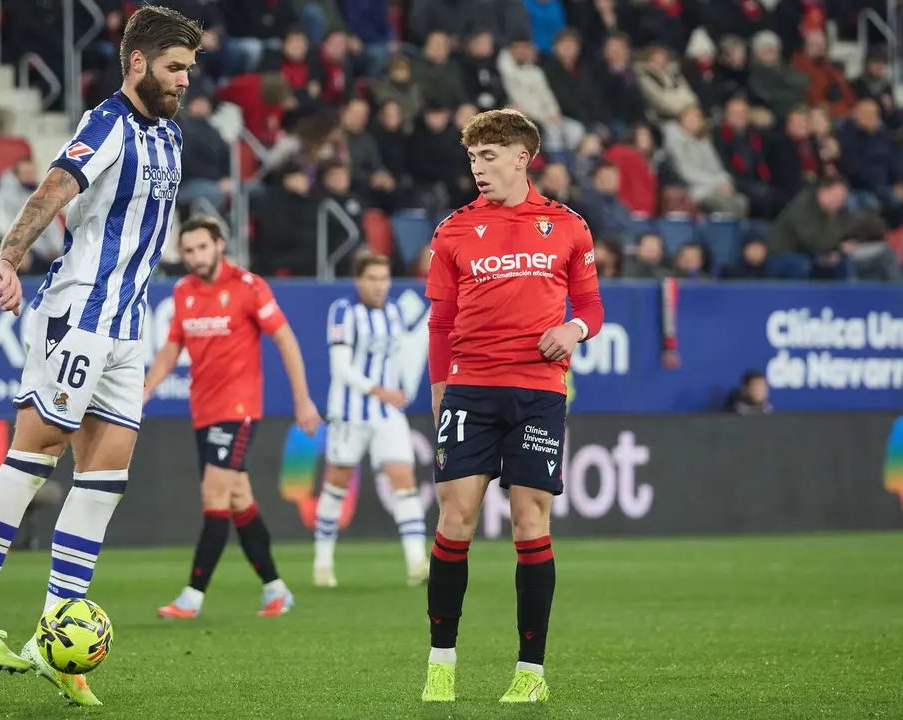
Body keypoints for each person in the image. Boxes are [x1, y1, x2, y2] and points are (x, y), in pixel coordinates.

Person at [0, 6, 202, 708]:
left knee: (105, 478)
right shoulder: (107, 123)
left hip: (126, 326)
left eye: (190, 70)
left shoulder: (171, 137)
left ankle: (54, 644)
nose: (184, 80)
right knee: (34, 455)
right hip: (80, 313)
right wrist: (10, 252)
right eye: (175, 67)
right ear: (138, 63)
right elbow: (58, 187)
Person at [421, 108, 604, 705]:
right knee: (456, 521)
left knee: (531, 523)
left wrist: (573, 329)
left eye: (490, 156)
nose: (478, 168)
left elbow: (592, 309)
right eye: (473, 158)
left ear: (523, 158)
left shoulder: (569, 226)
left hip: (539, 391)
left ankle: (531, 672)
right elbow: (441, 323)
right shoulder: (452, 231)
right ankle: (441, 662)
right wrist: (438, 393)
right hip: (470, 387)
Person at [144, 216, 321, 620]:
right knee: (239, 498)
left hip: (238, 411)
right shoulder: (183, 292)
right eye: (188, 250)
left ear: (220, 245)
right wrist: (145, 388)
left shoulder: (248, 286)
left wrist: (303, 400)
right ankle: (276, 590)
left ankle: (192, 597)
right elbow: (172, 348)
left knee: (214, 495)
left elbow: (286, 340)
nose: (195, 257)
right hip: (203, 411)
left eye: (202, 247)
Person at [312, 250, 427, 588]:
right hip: (350, 412)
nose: (380, 286)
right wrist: (380, 390)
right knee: (337, 483)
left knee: (404, 478)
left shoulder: (394, 312)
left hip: (387, 413)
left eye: (384, 278)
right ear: (359, 281)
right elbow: (341, 368)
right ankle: (322, 562)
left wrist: (394, 391)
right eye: (373, 279)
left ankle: (418, 562)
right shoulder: (343, 312)